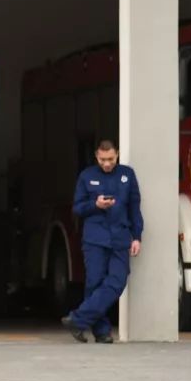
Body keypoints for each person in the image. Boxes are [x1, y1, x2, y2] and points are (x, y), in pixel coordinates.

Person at [62, 139, 143, 343]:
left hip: (120, 237)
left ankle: (78, 319)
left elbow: (134, 208)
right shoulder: (87, 176)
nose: (107, 163)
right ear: (96, 156)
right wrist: (95, 205)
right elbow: (77, 209)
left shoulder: (127, 174)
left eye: (110, 159)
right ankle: (102, 331)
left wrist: (137, 237)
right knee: (94, 282)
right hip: (95, 238)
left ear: (117, 154)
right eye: (102, 159)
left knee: (117, 281)